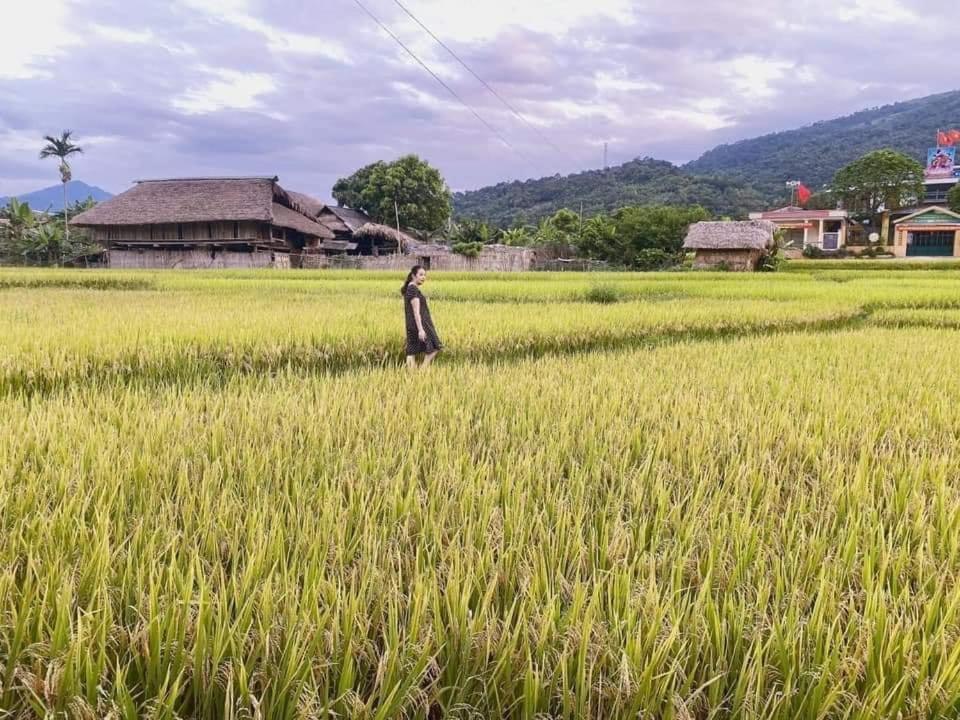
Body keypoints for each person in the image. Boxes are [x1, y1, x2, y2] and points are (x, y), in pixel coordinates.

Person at [401, 265, 443, 369]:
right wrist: (420, 329)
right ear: (413, 276)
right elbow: (416, 312)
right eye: (420, 275)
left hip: (412, 324)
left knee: (412, 350)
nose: (423, 277)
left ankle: (413, 375)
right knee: (435, 346)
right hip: (419, 325)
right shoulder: (413, 289)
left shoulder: (411, 288)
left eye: (424, 275)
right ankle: (422, 370)